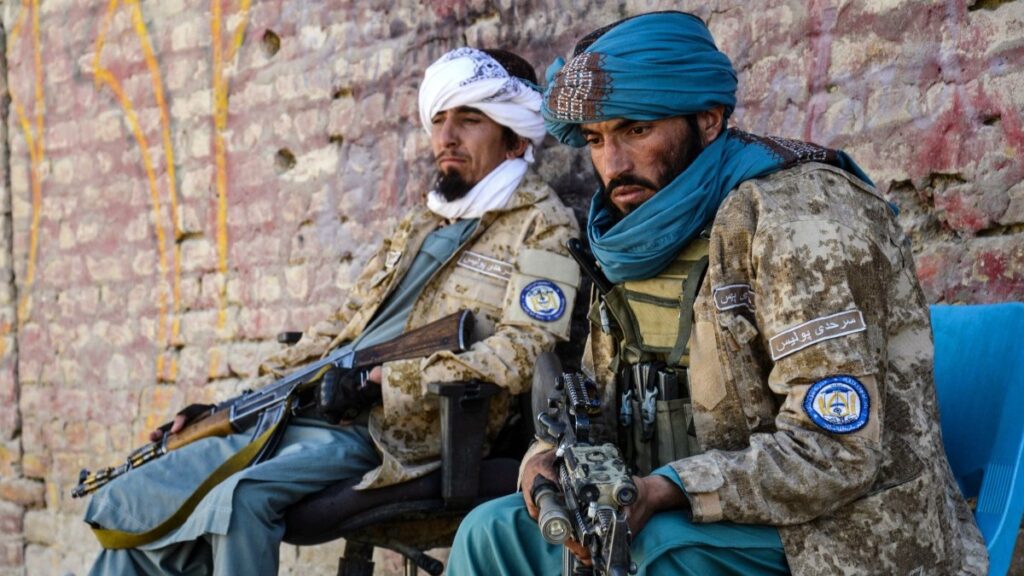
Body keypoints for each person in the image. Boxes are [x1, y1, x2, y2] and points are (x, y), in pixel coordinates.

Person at [449, 12, 988, 576]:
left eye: (636, 131)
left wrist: (668, 489)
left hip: (837, 534)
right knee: (489, 535)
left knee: (654, 554)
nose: (613, 164)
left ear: (707, 120)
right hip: (674, 508)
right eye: (595, 139)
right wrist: (546, 463)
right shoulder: (635, 233)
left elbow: (837, 450)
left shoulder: (802, 218)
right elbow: (596, 405)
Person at [84, 47, 581, 576]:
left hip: (397, 432)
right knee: (143, 505)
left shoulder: (543, 225)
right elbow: (342, 325)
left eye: (470, 119)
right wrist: (235, 404)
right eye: (438, 120)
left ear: (514, 136)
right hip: (309, 409)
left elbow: (524, 350)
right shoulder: (423, 222)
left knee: (238, 501)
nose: (447, 137)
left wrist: (386, 382)